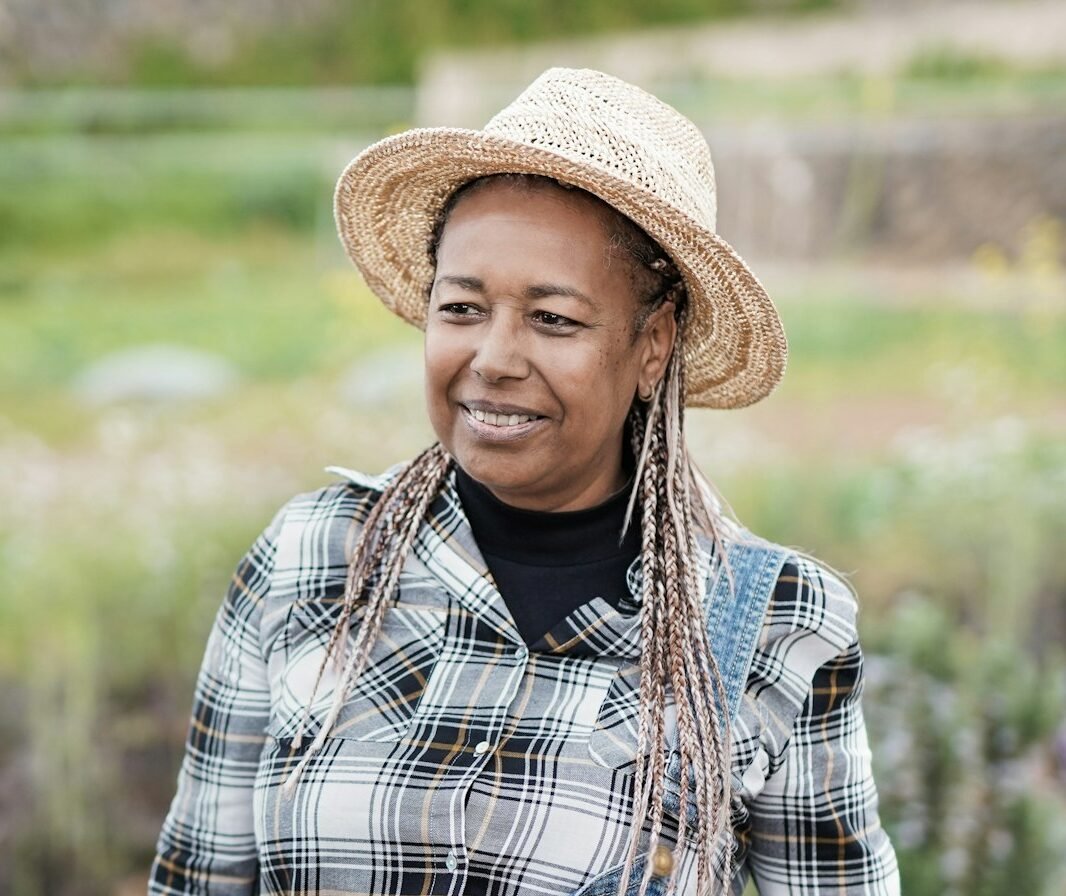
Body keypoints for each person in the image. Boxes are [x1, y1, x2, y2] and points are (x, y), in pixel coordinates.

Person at [149, 68, 899, 896]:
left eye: (554, 319)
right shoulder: (314, 555)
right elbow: (196, 880)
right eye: (462, 308)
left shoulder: (767, 623)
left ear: (653, 345)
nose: (494, 361)